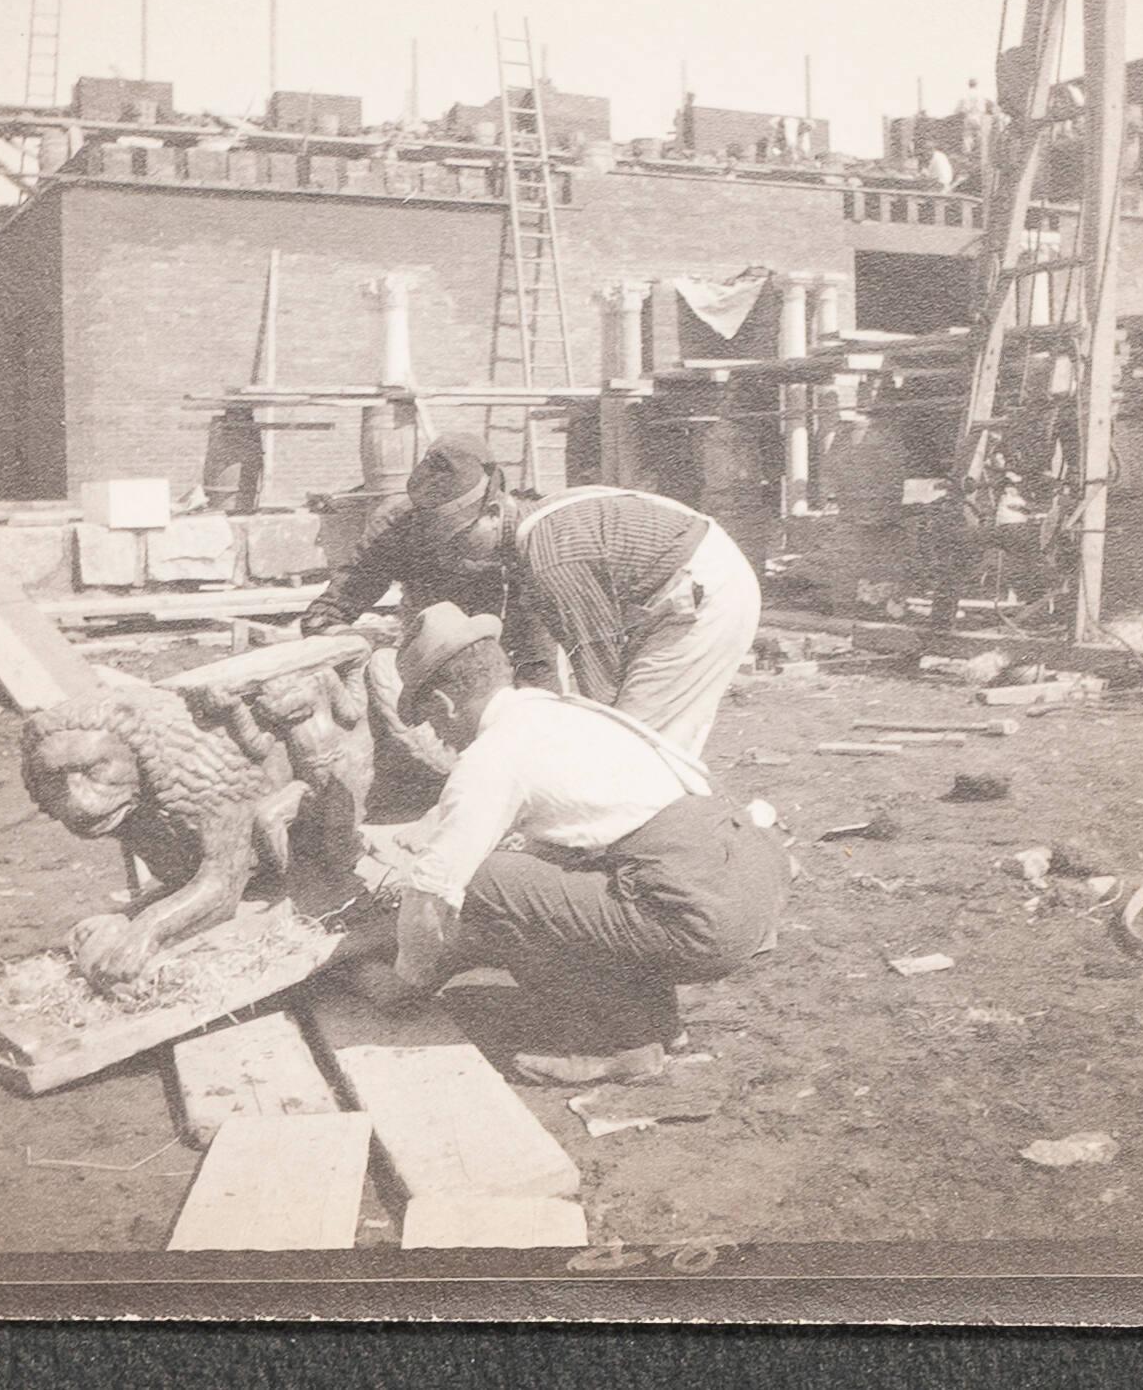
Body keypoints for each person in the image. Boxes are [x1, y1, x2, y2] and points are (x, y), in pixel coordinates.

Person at [361, 602, 792, 1086]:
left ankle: (618, 1044)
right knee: (560, 876)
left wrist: (408, 978)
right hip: (749, 872)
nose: (438, 737)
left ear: (443, 704)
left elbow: (433, 889)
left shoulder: (492, 755)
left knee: (488, 881)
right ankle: (657, 1026)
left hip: (703, 910)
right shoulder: (561, 711)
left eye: (431, 724)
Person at [299, 433, 553, 809]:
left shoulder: (522, 529)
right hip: (436, 658)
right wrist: (338, 636)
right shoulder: (398, 527)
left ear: (490, 511)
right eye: (435, 526)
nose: (448, 541)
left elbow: (540, 658)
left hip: (511, 651)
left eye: (458, 528)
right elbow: (333, 607)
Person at [499, 484, 762, 759]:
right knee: (637, 746)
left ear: (493, 512)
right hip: (684, 582)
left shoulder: (553, 554)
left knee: (628, 746)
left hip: (703, 594)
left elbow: (600, 676)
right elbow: (537, 658)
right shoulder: (532, 526)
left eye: (461, 537)